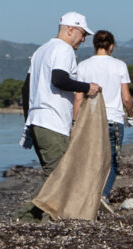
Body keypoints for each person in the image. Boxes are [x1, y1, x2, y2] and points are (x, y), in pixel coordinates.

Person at [22, 12, 92, 172]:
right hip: (53, 123)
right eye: (83, 34)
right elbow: (59, 79)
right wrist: (88, 87)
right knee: (57, 177)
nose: (83, 39)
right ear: (70, 30)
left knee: (55, 175)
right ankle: (33, 199)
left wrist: (29, 120)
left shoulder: (41, 51)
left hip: (37, 122)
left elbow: (26, 89)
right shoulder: (64, 49)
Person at [74, 29, 133, 202]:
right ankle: (103, 195)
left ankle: (89, 196)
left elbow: (78, 98)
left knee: (91, 161)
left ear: (94, 45)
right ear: (111, 45)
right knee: (112, 162)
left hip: (90, 120)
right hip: (114, 120)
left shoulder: (83, 66)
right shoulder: (119, 65)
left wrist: (74, 122)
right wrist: (130, 116)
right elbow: (126, 98)